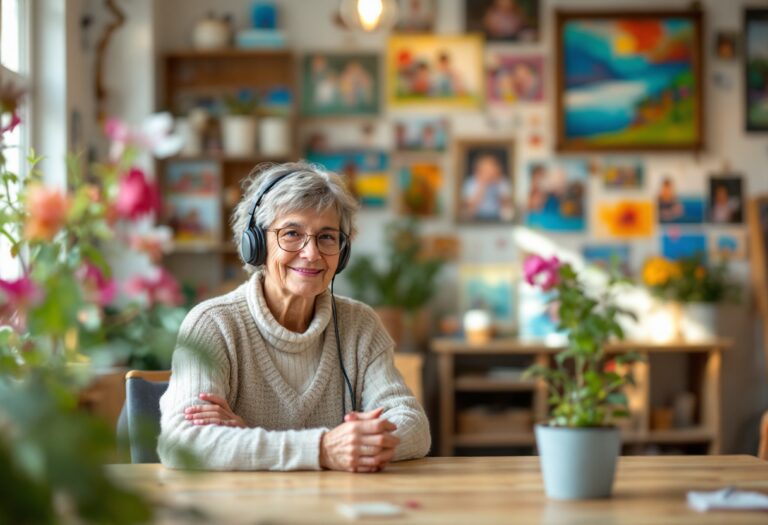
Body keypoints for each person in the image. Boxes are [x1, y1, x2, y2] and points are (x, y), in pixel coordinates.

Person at [158, 162, 431, 471]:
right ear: (256, 244)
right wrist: (324, 449)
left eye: (327, 237)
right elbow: (182, 442)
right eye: (291, 233)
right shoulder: (213, 324)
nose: (312, 253)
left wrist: (250, 440)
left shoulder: (360, 324)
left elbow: (413, 427)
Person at [461, 153, 513, 221]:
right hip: (476, 217)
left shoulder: (502, 181)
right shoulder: (470, 182)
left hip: (497, 217)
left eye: (491, 168)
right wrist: (483, 184)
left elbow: (506, 205)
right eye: (486, 169)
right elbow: (470, 207)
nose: (489, 172)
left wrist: (497, 184)